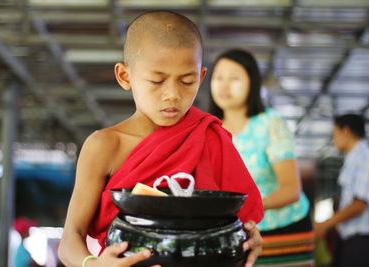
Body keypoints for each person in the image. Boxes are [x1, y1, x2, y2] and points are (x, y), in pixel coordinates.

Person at [58, 11, 264, 267]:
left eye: (187, 81)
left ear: (200, 78)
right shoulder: (105, 146)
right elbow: (69, 240)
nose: (172, 95)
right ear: (125, 76)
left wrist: (248, 237)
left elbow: (235, 223)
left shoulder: (208, 135)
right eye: (157, 81)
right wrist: (93, 264)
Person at [208, 49, 314, 266]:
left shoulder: (270, 123)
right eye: (218, 78)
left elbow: (291, 189)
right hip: (239, 232)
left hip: (285, 229)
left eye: (234, 78)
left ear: (252, 83)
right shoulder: (209, 130)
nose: (224, 85)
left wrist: (246, 209)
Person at [315, 114, 369, 267]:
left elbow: (359, 204)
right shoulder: (354, 157)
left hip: (361, 241)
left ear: (346, 131)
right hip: (351, 240)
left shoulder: (364, 157)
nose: (333, 140)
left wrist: (325, 224)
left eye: (335, 134)